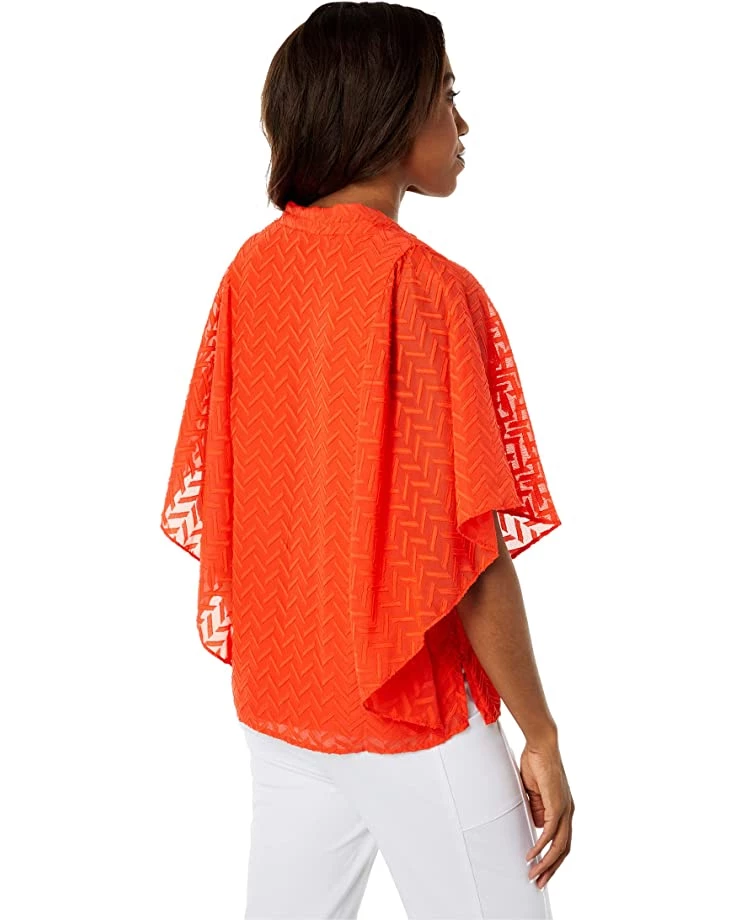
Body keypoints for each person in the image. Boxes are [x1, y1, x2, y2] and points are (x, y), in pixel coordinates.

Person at [160, 3, 574, 918]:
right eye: (447, 96)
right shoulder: (430, 289)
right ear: (388, 110)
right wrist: (540, 731)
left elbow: (234, 499)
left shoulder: (249, 275)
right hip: (413, 717)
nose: (462, 124)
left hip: (286, 709)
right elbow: (471, 553)